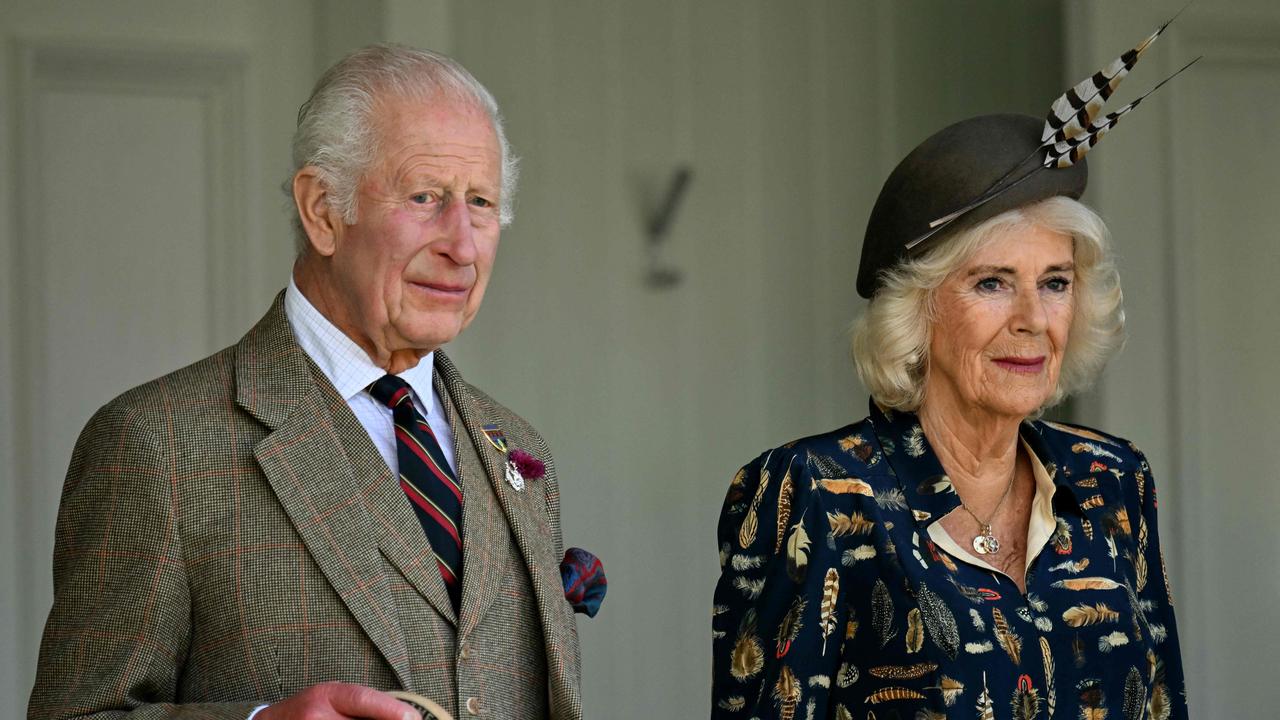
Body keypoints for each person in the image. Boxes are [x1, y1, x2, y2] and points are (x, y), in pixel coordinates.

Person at [29, 45, 597, 720]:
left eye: (480, 202)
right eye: (425, 196)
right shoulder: (156, 445)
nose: (463, 245)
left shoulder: (521, 452)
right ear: (323, 210)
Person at [710, 39, 1190, 720]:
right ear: (920, 309)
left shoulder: (1113, 479)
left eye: (1054, 283)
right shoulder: (811, 493)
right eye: (992, 283)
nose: (1032, 319)